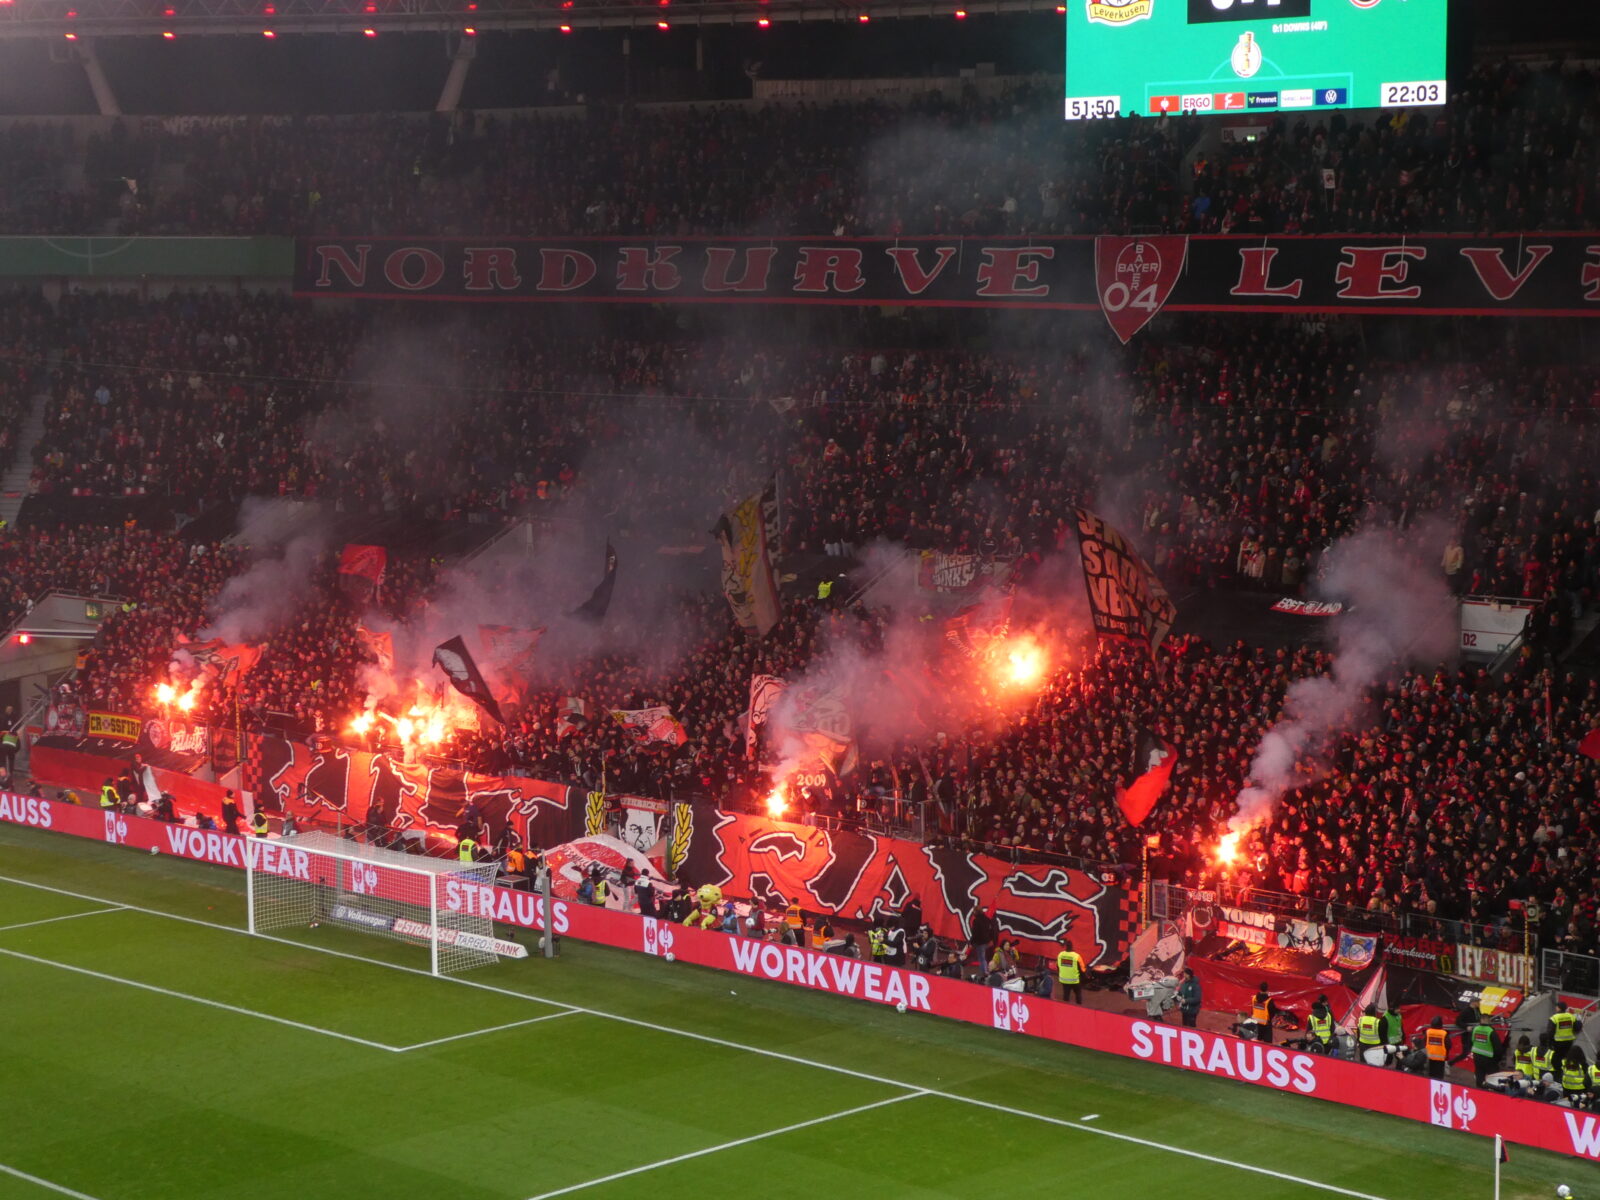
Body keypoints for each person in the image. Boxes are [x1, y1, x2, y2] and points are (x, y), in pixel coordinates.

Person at [1551, 1002, 1581, 1075]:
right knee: (1567, 1058)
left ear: (1559, 1008)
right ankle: (1565, 1072)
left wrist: (1550, 1043)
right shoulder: (1571, 1016)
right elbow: (1577, 1028)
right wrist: (1580, 1022)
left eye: (1556, 1007)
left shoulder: (1554, 1018)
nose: (1555, 1008)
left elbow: (1550, 1032)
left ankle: (1559, 1073)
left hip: (1558, 1043)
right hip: (1569, 1042)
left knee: (1557, 1059)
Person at [1469, 1015, 1500, 1088]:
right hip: (1489, 1058)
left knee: (1479, 1074)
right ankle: (1492, 1090)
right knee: (1493, 1076)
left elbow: (1471, 1041)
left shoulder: (1475, 1029)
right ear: (1488, 1020)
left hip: (1477, 1056)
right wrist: (1497, 1059)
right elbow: (1498, 1047)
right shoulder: (1491, 1031)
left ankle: (1479, 1089)